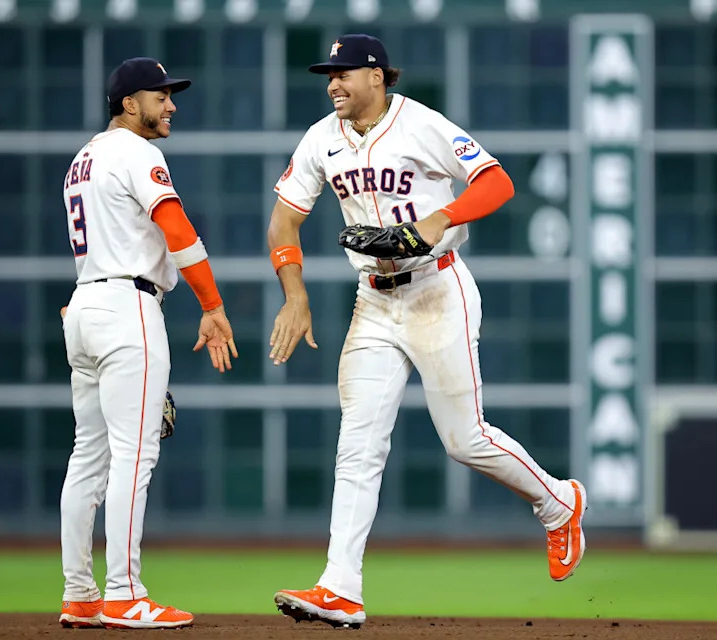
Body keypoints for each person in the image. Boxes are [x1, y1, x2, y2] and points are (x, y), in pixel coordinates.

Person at [267, 34, 587, 629]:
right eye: (327, 75)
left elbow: (496, 182)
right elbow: (286, 216)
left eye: (343, 73)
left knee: (464, 440)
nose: (333, 84)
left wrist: (439, 217)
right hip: (374, 301)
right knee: (358, 445)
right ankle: (340, 587)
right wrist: (295, 292)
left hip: (438, 289)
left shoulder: (422, 125)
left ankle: (559, 502)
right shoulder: (320, 139)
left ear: (377, 77)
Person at [57, 57, 237, 630]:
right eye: (161, 96)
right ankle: (125, 593)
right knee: (136, 454)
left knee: (89, 455)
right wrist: (212, 305)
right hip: (126, 308)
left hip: (84, 303)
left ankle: (79, 594)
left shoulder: (81, 160)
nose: (171, 105)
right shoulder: (138, 152)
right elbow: (177, 229)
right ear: (129, 103)